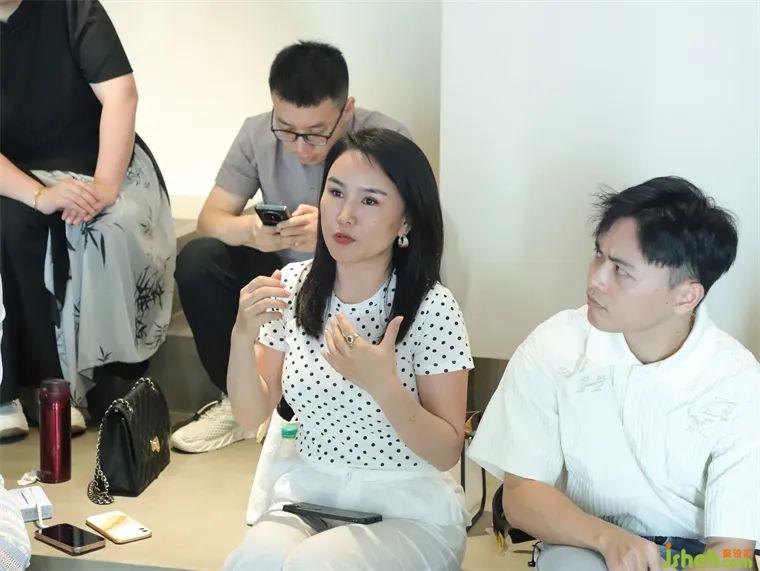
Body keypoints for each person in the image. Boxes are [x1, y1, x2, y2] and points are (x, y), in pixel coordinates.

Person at [468, 177, 760, 571]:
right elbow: (521, 495)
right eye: (599, 255)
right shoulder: (556, 345)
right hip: (588, 543)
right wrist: (609, 539)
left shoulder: (737, 380)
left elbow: (734, 550)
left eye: (621, 270)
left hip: (694, 559)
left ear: (685, 296)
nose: (596, 279)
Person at [222, 128, 473, 571]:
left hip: (408, 506)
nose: (345, 215)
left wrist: (384, 386)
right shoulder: (293, 286)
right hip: (311, 492)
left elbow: (445, 451)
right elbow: (249, 415)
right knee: (255, 561)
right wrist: (241, 338)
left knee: (317, 564)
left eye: (370, 201)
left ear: (407, 221)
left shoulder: (433, 306)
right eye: (336, 193)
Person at [172, 41, 410, 453]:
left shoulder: (386, 142)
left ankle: (350, 399)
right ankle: (237, 401)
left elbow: (414, 230)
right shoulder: (256, 133)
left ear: (347, 111)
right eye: (286, 130)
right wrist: (251, 231)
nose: (300, 147)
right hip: (284, 275)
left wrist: (335, 232)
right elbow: (211, 219)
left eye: (316, 133)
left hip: (356, 277)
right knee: (199, 259)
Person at [0, 0, 175, 438]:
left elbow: (121, 94)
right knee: (14, 224)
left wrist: (104, 188)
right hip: (12, 171)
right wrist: (39, 195)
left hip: (93, 162)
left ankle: (63, 389)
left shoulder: (70, 7)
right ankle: (11, 390)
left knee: (101, 226)